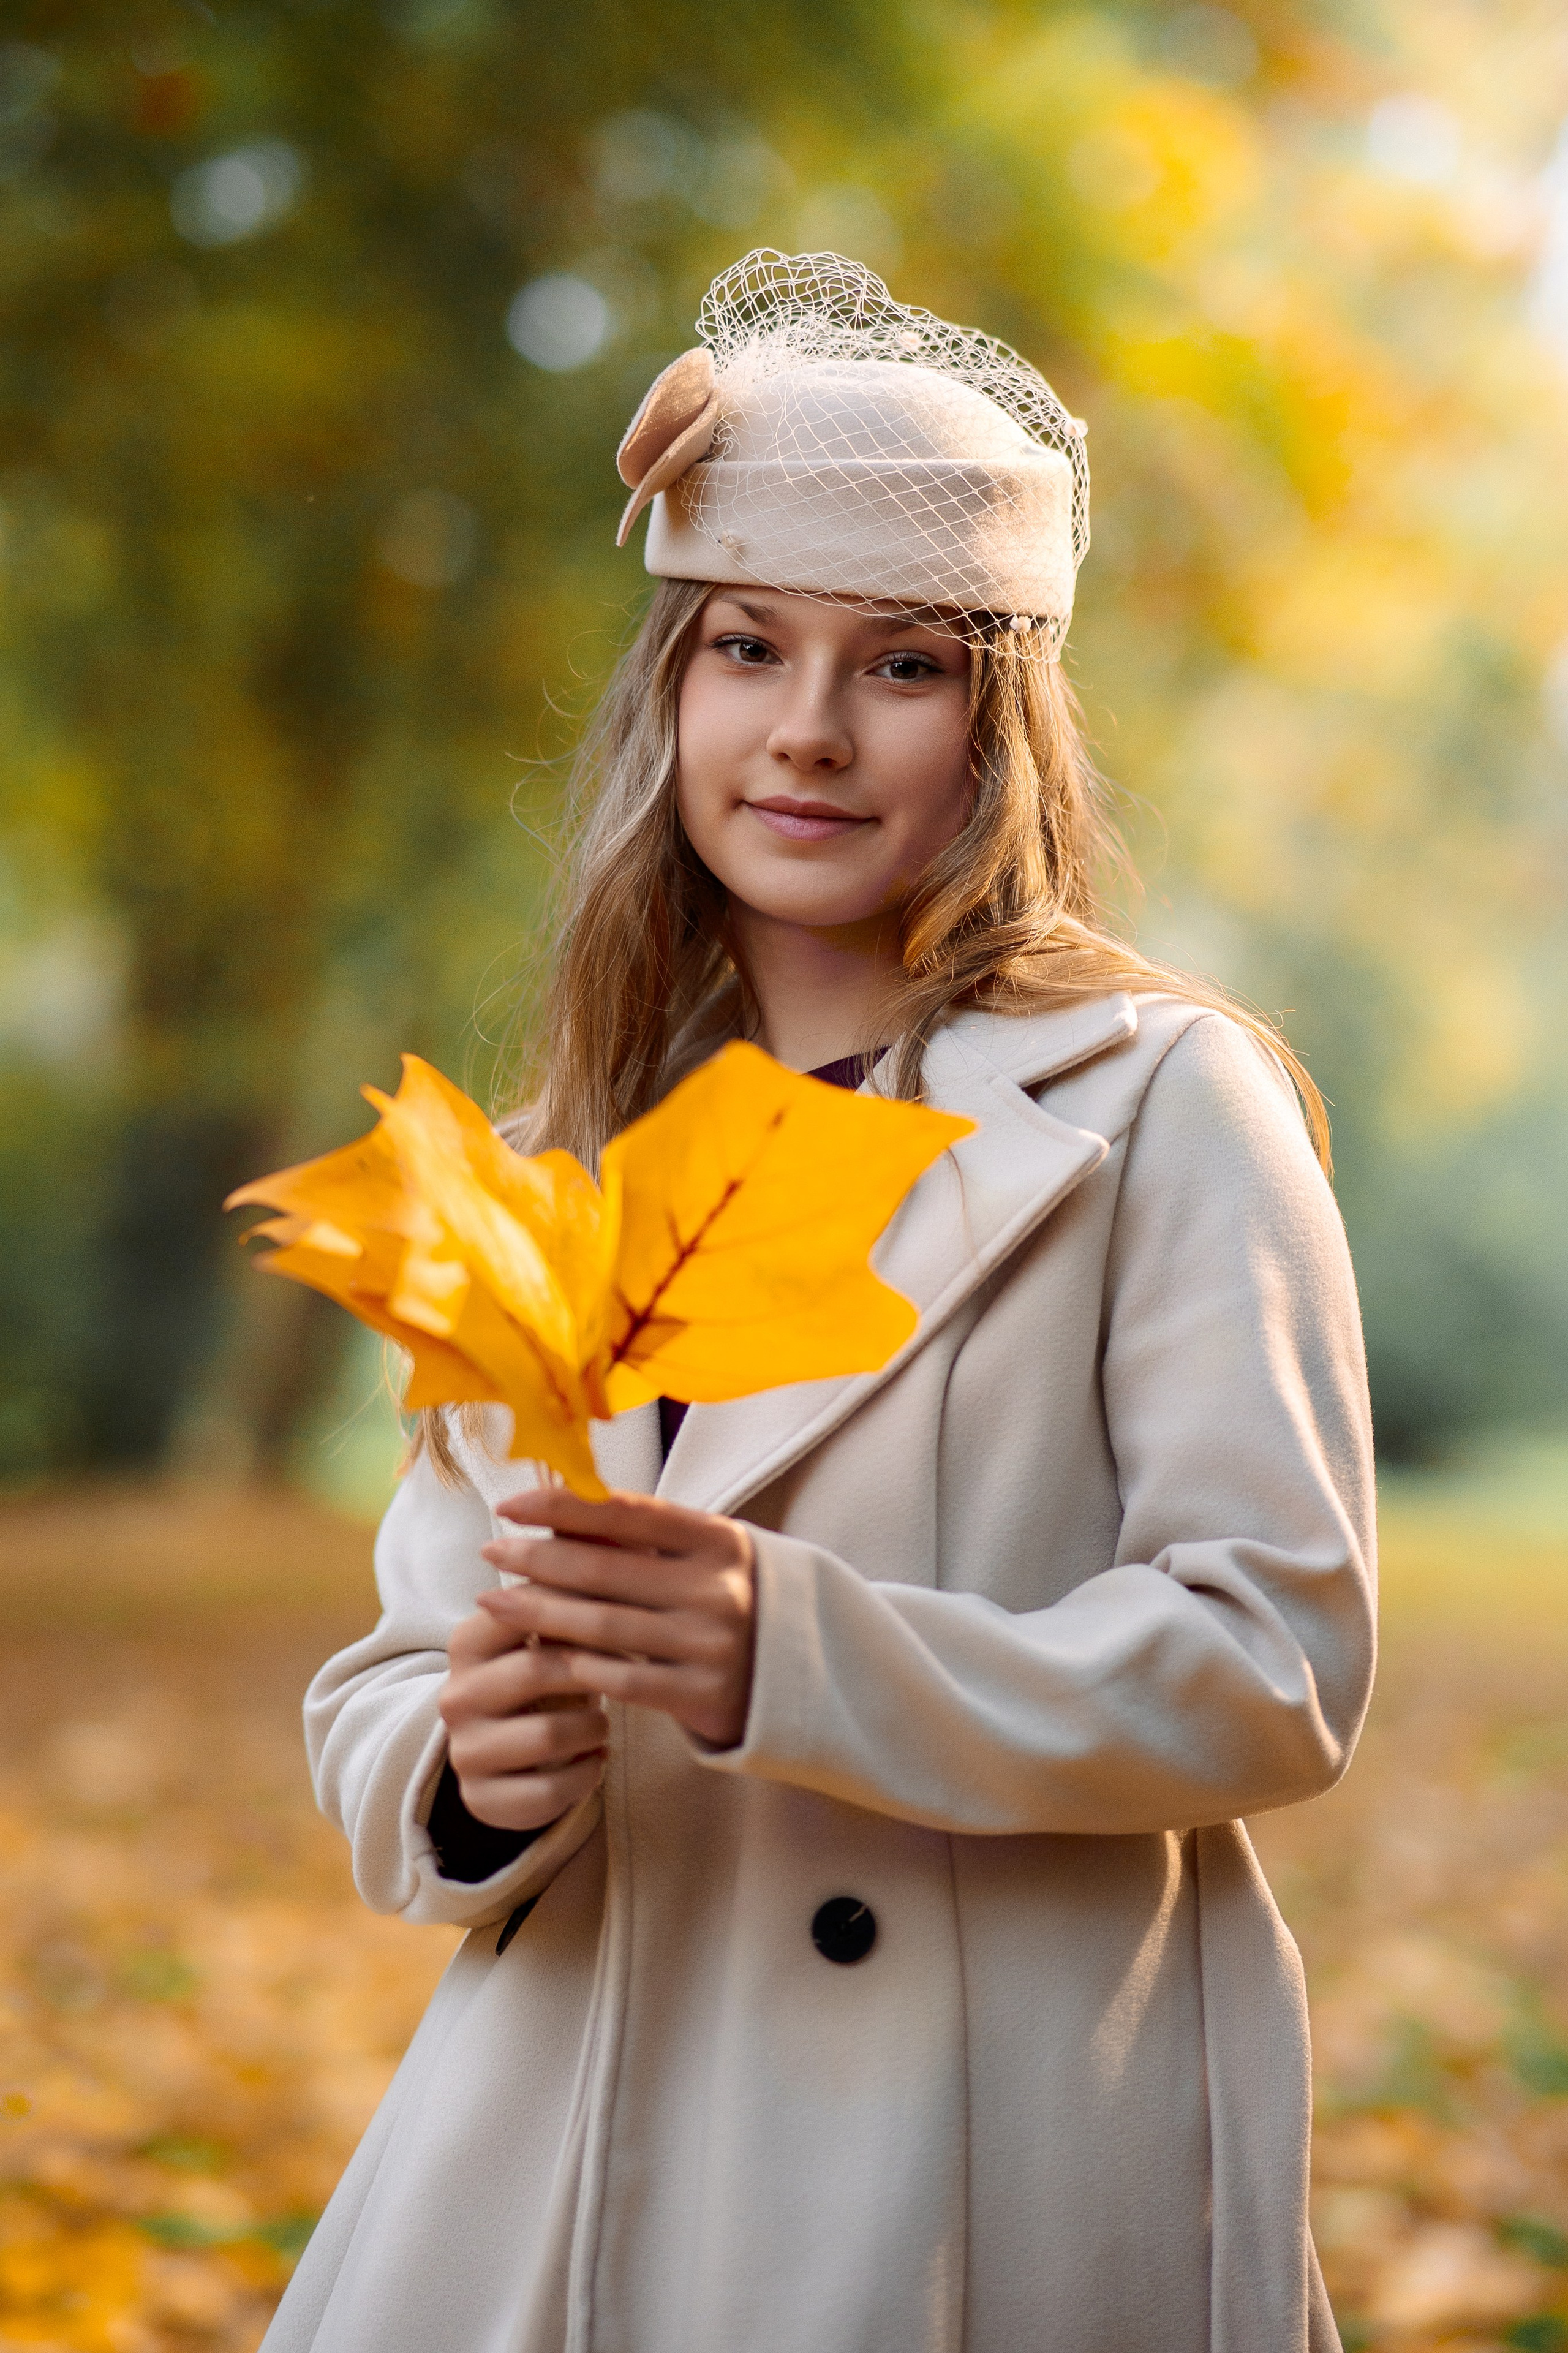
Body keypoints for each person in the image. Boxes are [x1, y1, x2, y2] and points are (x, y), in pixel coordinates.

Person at [263, 251, 1374, 2353]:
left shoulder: (1161, 1107)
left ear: (1005, 713)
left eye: (904, 667)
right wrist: (466, 1764)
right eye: (748, 647)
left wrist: (802, 1647)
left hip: (988, 2140)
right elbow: (396, 1674)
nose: (808, 729)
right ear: (669, 690)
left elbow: (1276, 1657)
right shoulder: (546, 1165)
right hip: (567, 2124)